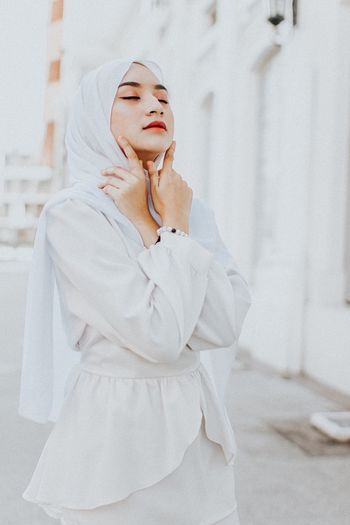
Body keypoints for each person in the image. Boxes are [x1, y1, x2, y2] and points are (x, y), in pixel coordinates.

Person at [19, 57, 252, 524]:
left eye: (164, 96)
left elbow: (223, 326)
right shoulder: (76, 213)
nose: (155, 105)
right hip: (117, 435)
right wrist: (161, 229)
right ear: (93, 118)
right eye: (130, 95)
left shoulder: (184, 204)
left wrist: (161, 223)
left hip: (196, 438)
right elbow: (160, 336)